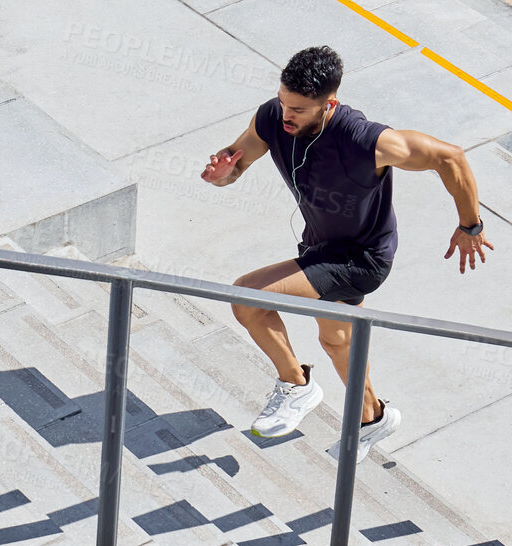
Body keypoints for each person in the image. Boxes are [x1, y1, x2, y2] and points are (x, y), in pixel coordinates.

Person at [201, 45, 494, 458]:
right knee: (337, 340)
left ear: (329, 104)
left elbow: (450, 157)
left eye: (299, 110)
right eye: (284, 102)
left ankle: (296, 388)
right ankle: (372, 418)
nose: (287, 115)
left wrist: (470, 226)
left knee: (247, 298)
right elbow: (233, 169)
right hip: (320, 245)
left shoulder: (364, 139)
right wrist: (221, 175)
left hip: (361, 259)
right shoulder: (272, 117)